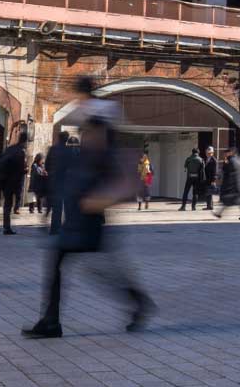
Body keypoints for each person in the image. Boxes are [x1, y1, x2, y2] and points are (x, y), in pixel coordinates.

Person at [22, 111, 154, 339]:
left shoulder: (106, 158)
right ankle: (52, 321)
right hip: (75, 224)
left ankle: (138, 302)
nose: (86, 137)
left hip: (90, 225)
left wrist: (98, 200)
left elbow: (124, 187)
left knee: (99, 272)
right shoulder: (85, 155)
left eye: (91, 133)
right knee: (85, 269)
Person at [0, 134, 27, 235]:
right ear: (25, 141)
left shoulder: (9, 149)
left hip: (4, 180)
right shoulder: (21, 152)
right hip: (14, 181)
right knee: (10, 203)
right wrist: (25, 170)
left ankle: (6, 226)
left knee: (7, 204)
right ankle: (7, 227)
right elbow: (21, 169)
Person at [214, 146, 240, 220]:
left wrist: (224, 163)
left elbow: (226, 170)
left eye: (227, 153)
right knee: (239, 199)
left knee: (229, 200)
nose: (225, 154)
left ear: (231, 153)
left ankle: (219, 213)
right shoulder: (239, 159)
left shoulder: (231, 160)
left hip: (233, 183)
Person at [179, 146, 203, 211]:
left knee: (186, 191)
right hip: (197, 178)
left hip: (189, 177)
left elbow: (185, 166)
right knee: (195, 192)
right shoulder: (201, 159)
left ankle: (183, 206)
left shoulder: (188, 159)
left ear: (192, 152)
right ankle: (193, 207)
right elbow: (202, 169)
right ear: (198, 152)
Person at [201, 146, 219, 212]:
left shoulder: (214, 160)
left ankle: (210, 206)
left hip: (211, 179)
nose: (208, 154)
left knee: (209, 192)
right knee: (208, 192)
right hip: (207, 178)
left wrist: (214, 180)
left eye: (209, 153)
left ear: (212, 153)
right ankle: (209, 206)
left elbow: (215, 171)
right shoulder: (206, 159)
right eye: (207, 153)